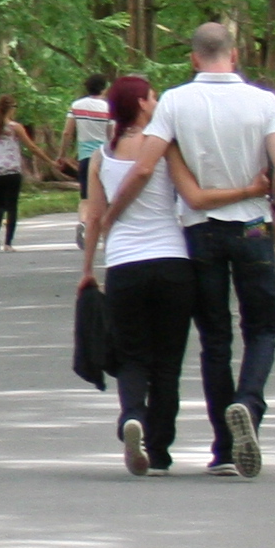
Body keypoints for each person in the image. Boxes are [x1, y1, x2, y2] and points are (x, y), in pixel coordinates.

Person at [124, 22, 275, 476]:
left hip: (200, 230)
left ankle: (223, 448)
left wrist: (109, 214)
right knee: (262, 327)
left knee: (214, 338)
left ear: (194, 58)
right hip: (254, 227)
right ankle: (249, 406)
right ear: (234, 55)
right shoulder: (264, 103)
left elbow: (146, 163)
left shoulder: (176, 101)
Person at [81, 75, 195, 475]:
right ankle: (160, 452)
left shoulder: (100, 156)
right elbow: (189, 196)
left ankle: (133, 416)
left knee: (132, 357)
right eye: (152, 95)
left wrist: (87, 271)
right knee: (168, 361)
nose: (157, 99)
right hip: (171, 261)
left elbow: (93, 217)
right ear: (142, 105)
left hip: (125, 265)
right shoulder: (163, 149)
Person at [0, 94, 52, 249]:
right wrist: (50, 161)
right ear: (11, 109)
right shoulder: (15, 127)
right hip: (11, 171)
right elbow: (32, 147)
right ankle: (8, 243)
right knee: (12, 206)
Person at [67, 73, 115, 211]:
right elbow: (111, 135)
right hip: (103, 157)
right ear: (104, 88)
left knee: (85, 198)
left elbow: (67, 132)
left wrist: (62, 154)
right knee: (104, 196)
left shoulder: (76, 105)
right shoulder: (108, 108)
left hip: (85, 157)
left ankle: (83, 222)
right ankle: (102, 228)